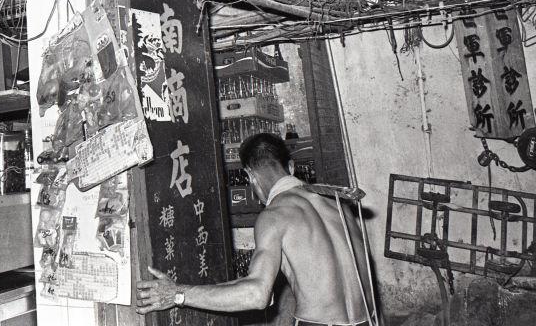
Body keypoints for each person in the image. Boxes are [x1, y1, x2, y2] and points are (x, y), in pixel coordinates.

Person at [136, 133, 375, 326]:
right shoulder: (340, 207)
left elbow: (256, 295)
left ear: (250, 176)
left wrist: (176, 294)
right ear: (291, 167)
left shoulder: (273, 216)